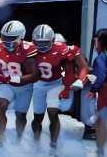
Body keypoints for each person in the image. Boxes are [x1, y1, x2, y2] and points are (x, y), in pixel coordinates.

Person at [30, 24, 88, 155]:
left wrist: (79, 80)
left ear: (52, 40)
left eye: (45, 42)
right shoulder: (28, 48)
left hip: (55, 83)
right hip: (39, 83)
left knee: (52, 111)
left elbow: (83, 66)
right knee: (38, 115)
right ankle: (35, 143)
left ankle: (53, 144)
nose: (41, 45)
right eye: (39, 42)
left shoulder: (62, 49)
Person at [0, 20, 39, 146]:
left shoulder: (28, 49)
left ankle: (19, 136)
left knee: (20, 114)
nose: (6, 40)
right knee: (0, 105)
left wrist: (10, 79)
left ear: (20, 37)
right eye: (4, 36)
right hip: (7, 85)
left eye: (10, 38)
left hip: (24, 86)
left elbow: (34, 75)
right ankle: (0, 134)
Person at [87, 28, 107, 157]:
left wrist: (93, 90)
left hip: (105, 91)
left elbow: (101, 75)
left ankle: (100, 151)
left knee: (99, 121)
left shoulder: (101, 57)